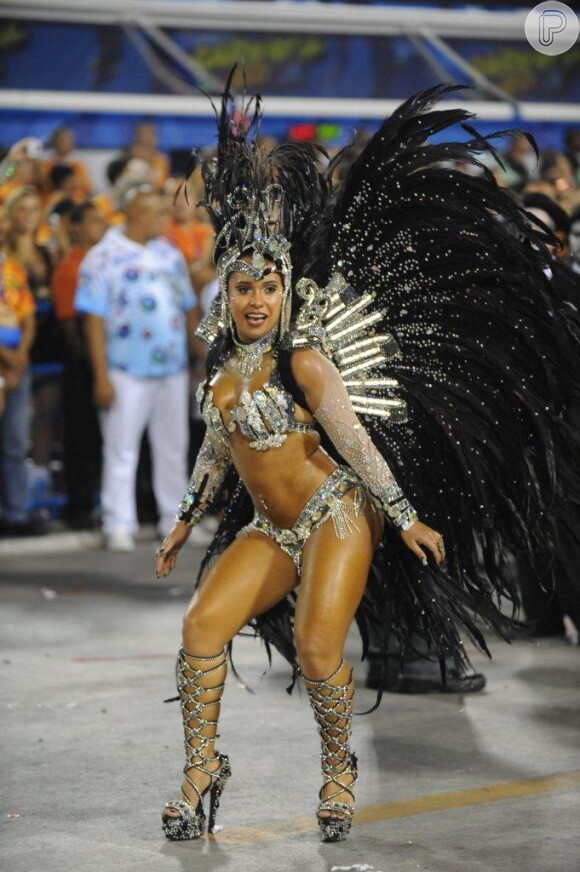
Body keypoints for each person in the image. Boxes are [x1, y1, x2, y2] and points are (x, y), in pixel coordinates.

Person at [152, 80, 580, 845]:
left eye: (271, 285)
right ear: (229, 288)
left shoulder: (306, 362)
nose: (257, 299)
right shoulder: (220, 369)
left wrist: (406, 515)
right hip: (272, 528)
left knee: (320, 648)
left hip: (338, 513)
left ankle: (339, 773)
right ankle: (200, 770)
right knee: (199, 630)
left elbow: (355, 443)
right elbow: (216, 455)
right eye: (245, 285)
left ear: (287, 289)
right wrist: (185, 523)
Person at [75, 188, 198, 552]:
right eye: (158, 213)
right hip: (125, 369)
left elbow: (188, 306)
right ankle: (118, 523)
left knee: (173, 447)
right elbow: (92, 320)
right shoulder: (103, 257)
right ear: (138, 215)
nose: (165, 219)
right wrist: (100, 375)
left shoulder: (169, 254)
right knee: (121, 448)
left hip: (172, 367)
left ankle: (173, 521)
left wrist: (200, 357)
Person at [51, 202, 106, 528]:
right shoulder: (70, 268)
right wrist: (91, 360)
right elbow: (70, 327)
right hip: (82, 363)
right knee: (82, 435)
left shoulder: (105, 262)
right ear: (75, 227)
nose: (102, 226)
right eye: (94, 221)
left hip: (104, 359)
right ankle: (79, 505)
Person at [0, 201, 37, 535]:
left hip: (16, 363)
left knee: (15, 442)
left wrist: (21, 354)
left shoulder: (12, 267)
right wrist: (8, 357)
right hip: (6, 359)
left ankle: (15, 512)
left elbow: (27, 314)